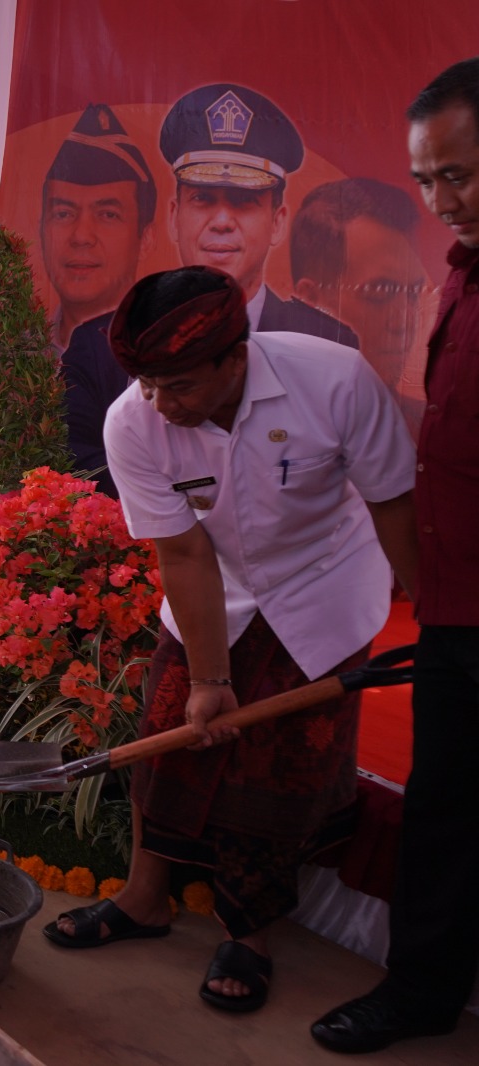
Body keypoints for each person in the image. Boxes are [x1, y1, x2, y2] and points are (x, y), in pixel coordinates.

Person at [43, 267, 417, 1016]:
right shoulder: (134, 420)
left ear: (235, 357)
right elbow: (183, 554)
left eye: (176, 383)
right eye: (145, 382)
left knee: (276, 776)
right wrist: (210, 675)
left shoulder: (334, 380)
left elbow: (391, 501)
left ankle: (249, 935)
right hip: (214, 589)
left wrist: (439, 620)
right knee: (168, 737)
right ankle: (143, 899)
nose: (157, 402)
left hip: (325, 587)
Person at [311, 57, 479, 1054]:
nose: (439, 201)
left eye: (458, 174)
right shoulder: (461, 276)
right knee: (445, 815)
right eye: (425, 180)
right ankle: (417, 996)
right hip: (458, 609)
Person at [61, 82, 356, 497]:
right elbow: (78, 468)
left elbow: (349, 473)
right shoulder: (98, 345)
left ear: (278, 221)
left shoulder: (330, 342)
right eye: (203, 199)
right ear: (174, 215)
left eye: (243, 201)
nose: (221, 221)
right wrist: (197, 495)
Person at [290, 177, 430, 433]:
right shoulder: (264, 423)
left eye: (413, 293)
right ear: (309, 301)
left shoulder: (433, 433)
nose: (403, 323)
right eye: (379, 292)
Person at [40, 103, 156, 351]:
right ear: (41, 230)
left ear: (145, 237)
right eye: (63, 213)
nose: (81, 236)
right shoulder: (16, 357)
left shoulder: (163, 354)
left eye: (108, 215)